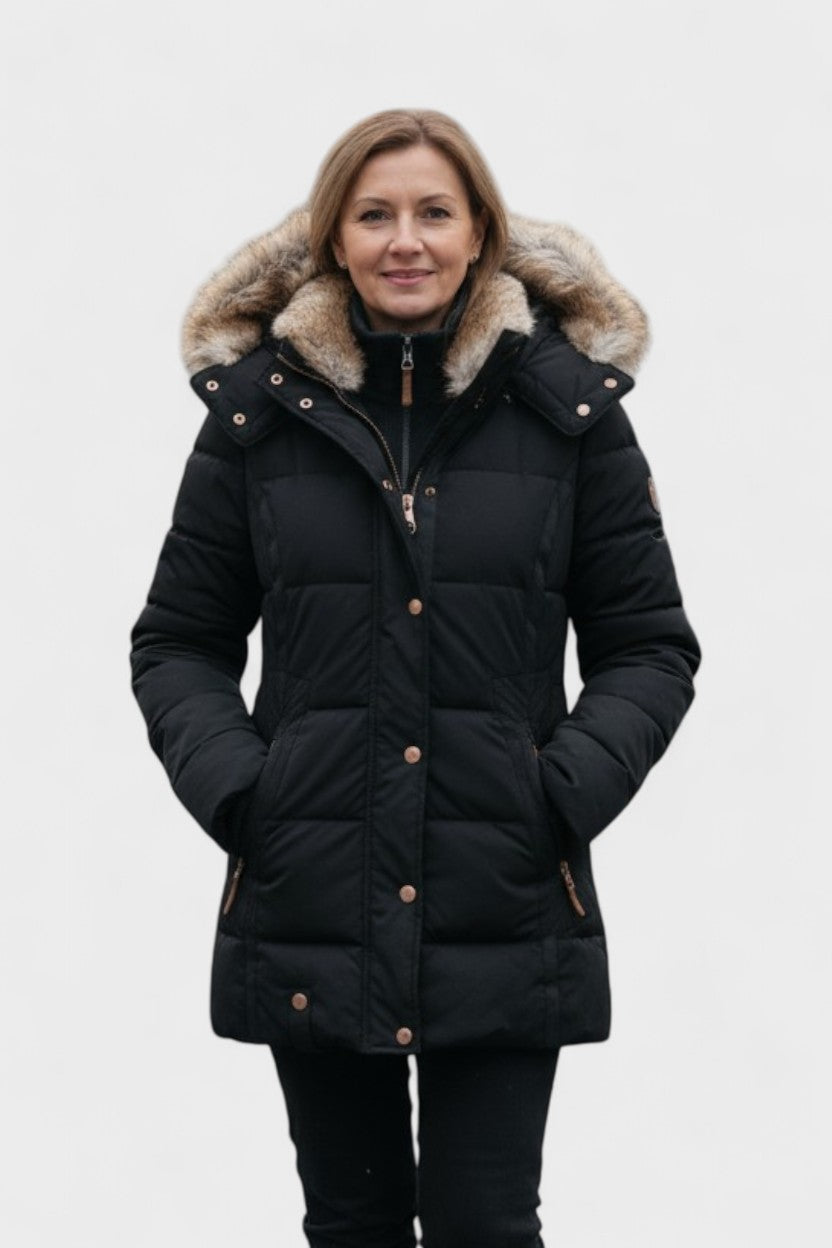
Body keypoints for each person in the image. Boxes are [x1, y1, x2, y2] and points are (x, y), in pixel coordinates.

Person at [130, 108, 702, 1248]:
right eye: (374, 214)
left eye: (434, 212)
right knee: (351, 1224)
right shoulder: (258, 419)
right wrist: (248, 795)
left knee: (487, 1226)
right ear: (332, 238)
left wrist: (558, 794)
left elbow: (649, 645)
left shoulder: (569, 418)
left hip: (505, 890)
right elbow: (178, 642)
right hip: (313, 887)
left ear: (480, 232)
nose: (406, 240)